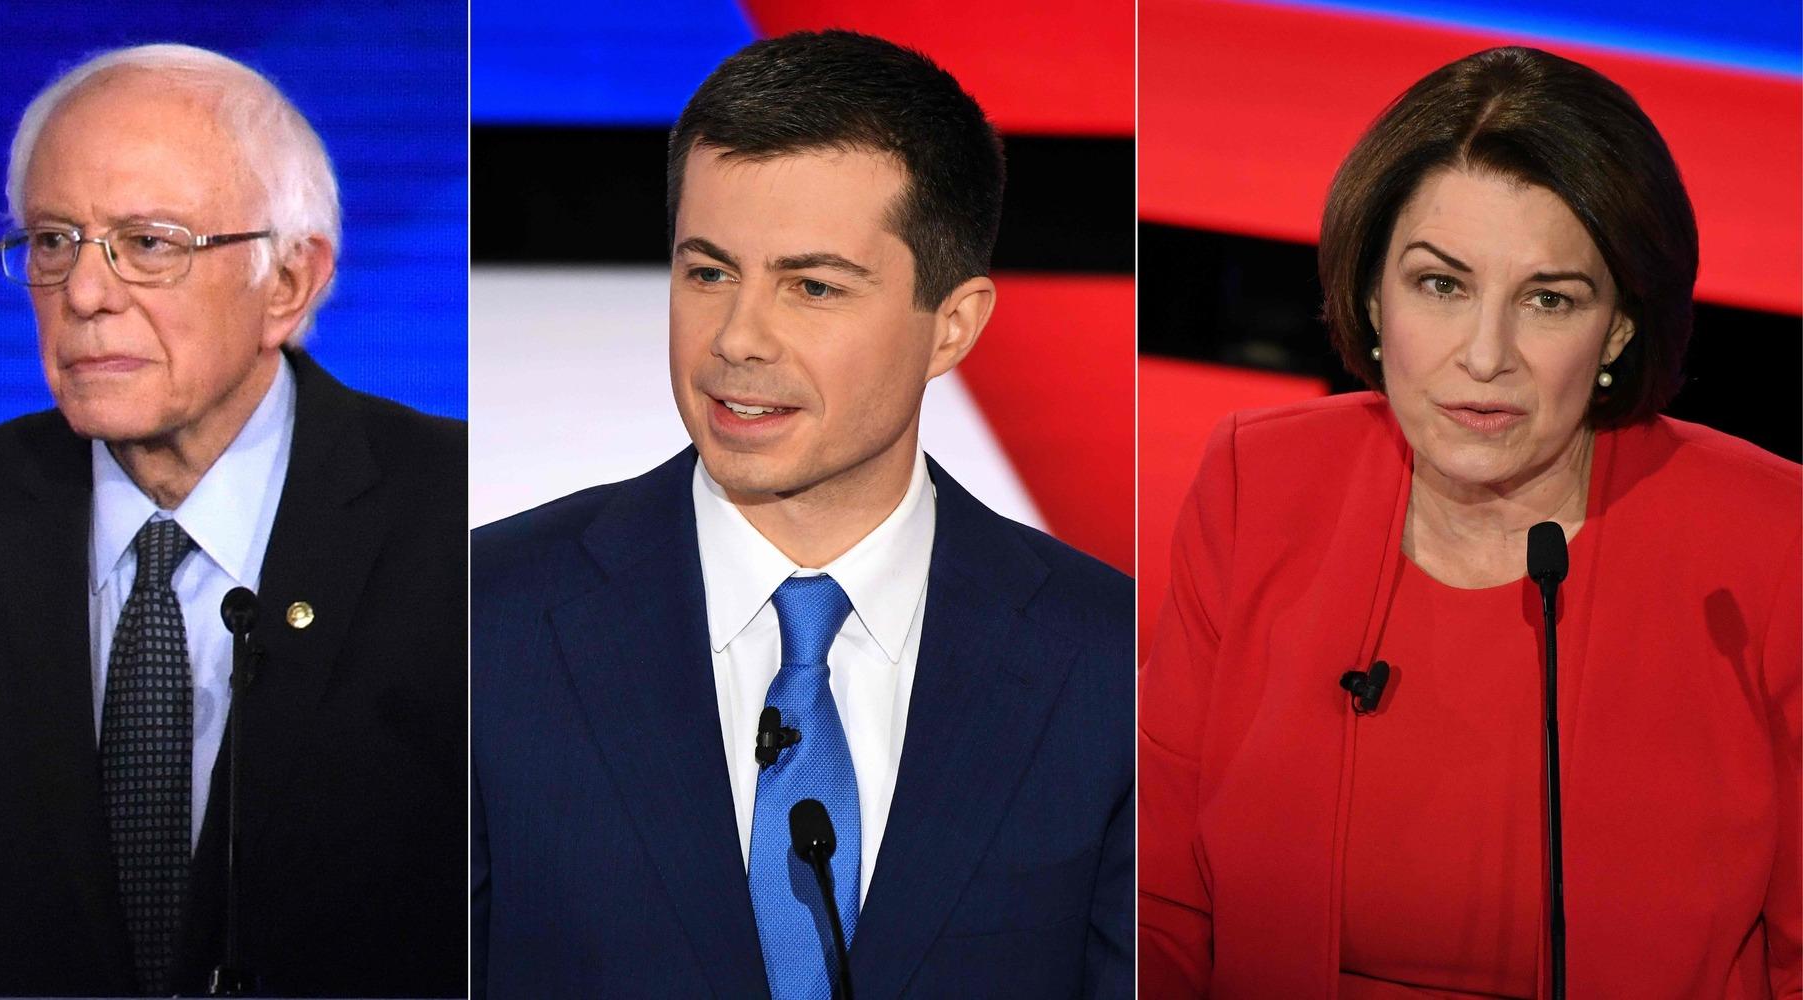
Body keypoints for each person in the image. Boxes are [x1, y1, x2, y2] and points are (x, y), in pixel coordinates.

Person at [472, 30, 1133, 998]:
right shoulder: (489, 620)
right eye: (706, 273)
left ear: (952, 324)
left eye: (811, 286)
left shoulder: (1105, 662)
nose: (736, 338)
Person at [1138, 46, 1799, 998]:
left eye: (1549, 300)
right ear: (1372, 295)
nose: (1485, 356)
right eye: (1440, 285)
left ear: (1617, 327)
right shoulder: (1260, 483)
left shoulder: (1768, 544)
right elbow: (1159, 903)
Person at [0, 44, 465, 997]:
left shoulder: (457, 517)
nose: (83, 293)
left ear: (289, 281)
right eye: (52, 241)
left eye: (148, 244)